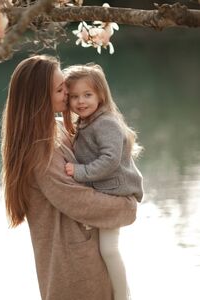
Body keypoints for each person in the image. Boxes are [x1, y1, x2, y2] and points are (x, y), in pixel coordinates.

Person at [0, 55, 137, 300]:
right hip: (73, 270)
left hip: (86, 259)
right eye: (61, 89)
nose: (69, 93)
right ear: (40, 97)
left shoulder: (57, 129)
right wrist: (127, 206)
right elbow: (80, 201)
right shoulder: (40, 153)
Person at [63, 63, 143, 300]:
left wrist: (80, 172)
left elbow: (110, 160)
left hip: (116, 193)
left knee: (108, 249)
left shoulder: (106, 122)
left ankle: (122, 297)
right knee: (101, 250)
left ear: (101, 95)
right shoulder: (86, 122)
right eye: (75, 96)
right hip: (105, 191)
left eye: (87, 95)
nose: (81, 101)